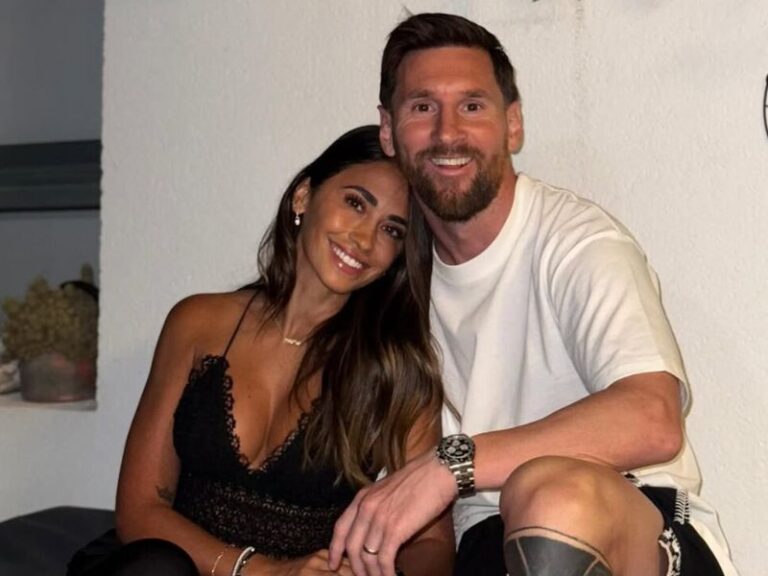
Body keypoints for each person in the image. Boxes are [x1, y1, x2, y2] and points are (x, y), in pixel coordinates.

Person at [328, 13, 739, 576]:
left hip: (634, 521)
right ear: (388, 129)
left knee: (547, 495)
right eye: (423, 107)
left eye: (472, 106)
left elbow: (653, 417)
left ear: (513, 124)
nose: (447, 133)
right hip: (485, 540)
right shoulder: (393, 275)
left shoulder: (576, 242)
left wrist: (451, 464)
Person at [68, 125, 454, 576]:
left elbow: (432, 545)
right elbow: (139, 510)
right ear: (304, 196)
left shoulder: (398, 373)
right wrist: (261, 571)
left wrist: (368, 570)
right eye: (355, 203)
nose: (365, 240)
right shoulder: (196, 324)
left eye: (391, 230)